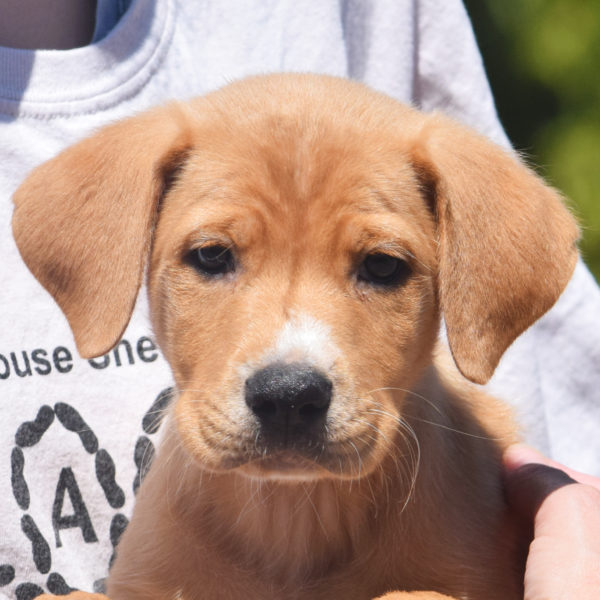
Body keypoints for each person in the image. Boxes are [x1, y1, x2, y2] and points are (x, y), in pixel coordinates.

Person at [1, 0, 599, 597]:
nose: (291, 371)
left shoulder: (474, 529)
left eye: (382, 266)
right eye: (212, 257)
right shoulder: (166, 554)